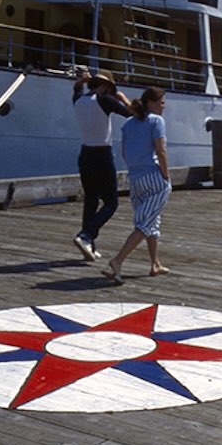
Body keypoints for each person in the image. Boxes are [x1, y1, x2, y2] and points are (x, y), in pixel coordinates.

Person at [102, 87, 171, 284]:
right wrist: (165, 175)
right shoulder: (156, 121)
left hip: (135, 179)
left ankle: (155, 263)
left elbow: (124, 152)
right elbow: (161, 150)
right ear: (150, 102)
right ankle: (117, 260)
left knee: (151, 220)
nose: (163, 106)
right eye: (161, 102)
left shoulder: (128, 124)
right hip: (154, 176)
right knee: (144, 224)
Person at [72, 68, 131, 262]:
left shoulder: (79, 101)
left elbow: (77, 89)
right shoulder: (104, 100)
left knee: (91, 199)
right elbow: (130, 114)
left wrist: (81, 82)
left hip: (85, 154)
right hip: (102, 154)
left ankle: (89, 245)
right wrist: (122, 98)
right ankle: (86, 235)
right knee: (111, 202)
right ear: (105, 87)